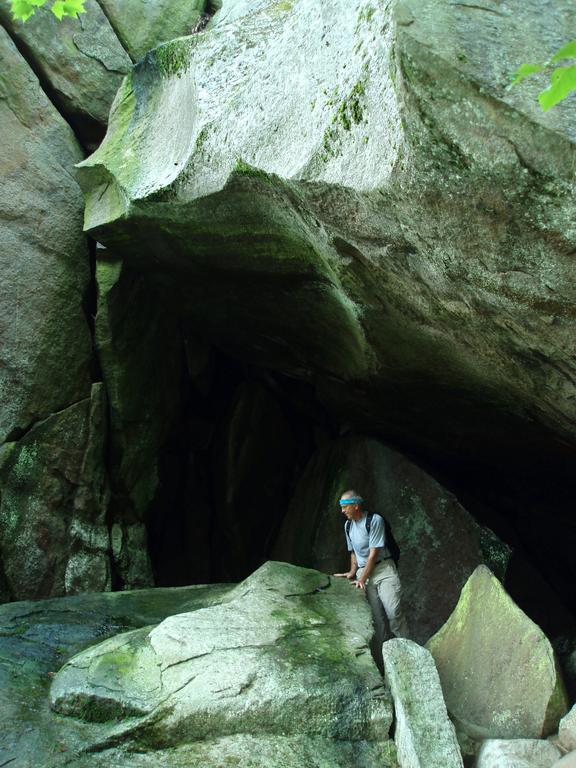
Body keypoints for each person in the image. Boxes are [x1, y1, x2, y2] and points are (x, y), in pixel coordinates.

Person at [334, 490, 409, 643]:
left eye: (344, 507)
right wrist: (352, 572)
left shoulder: (374, 520)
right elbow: (353, 552)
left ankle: (410, 651)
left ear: (355, 505)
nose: (342, 511)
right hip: (364, 574)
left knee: (393, 613)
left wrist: (361, 579)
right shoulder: (348, 525)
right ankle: (383, 662)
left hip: (383, 570)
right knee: (377, 622)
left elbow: (373, 554)